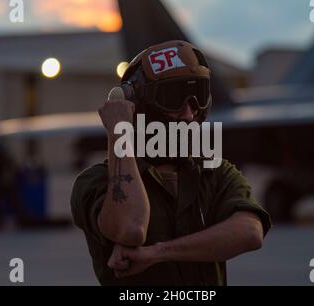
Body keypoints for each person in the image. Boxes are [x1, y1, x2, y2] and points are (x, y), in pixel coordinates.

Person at [71, 40, 271, 285]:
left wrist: (157, 252)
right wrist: (119, 132)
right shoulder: (96, 182)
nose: (189, 113)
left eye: (197, 96)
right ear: (134, 106)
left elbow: (250, 232)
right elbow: (131, 228)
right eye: (174, 98)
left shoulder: (215, 172)